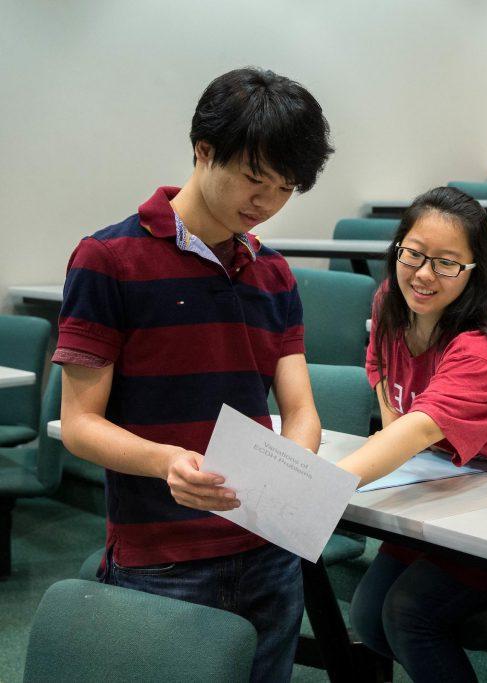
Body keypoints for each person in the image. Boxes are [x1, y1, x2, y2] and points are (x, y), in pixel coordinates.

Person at [57, 67, 333, 682]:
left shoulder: (275, 274)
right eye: (254, 179)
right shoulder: (108, 259)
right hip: (163, 555)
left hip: (268, 551)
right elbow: (78, 425)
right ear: (203, 150)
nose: (265, 204)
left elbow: (300, 409)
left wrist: (296, 474)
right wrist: (167, 462)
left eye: (285, 188)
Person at [339, 186, 487, 682]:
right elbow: (382, 372)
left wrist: (316, 483)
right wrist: (398, 448)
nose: (424, 274)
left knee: (409, 615)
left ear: (476, 272)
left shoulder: (482, 349)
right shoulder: (391, 298)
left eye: (447, 263)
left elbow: (422, 427)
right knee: (367, 615)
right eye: (414, 254)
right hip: (451, 483)